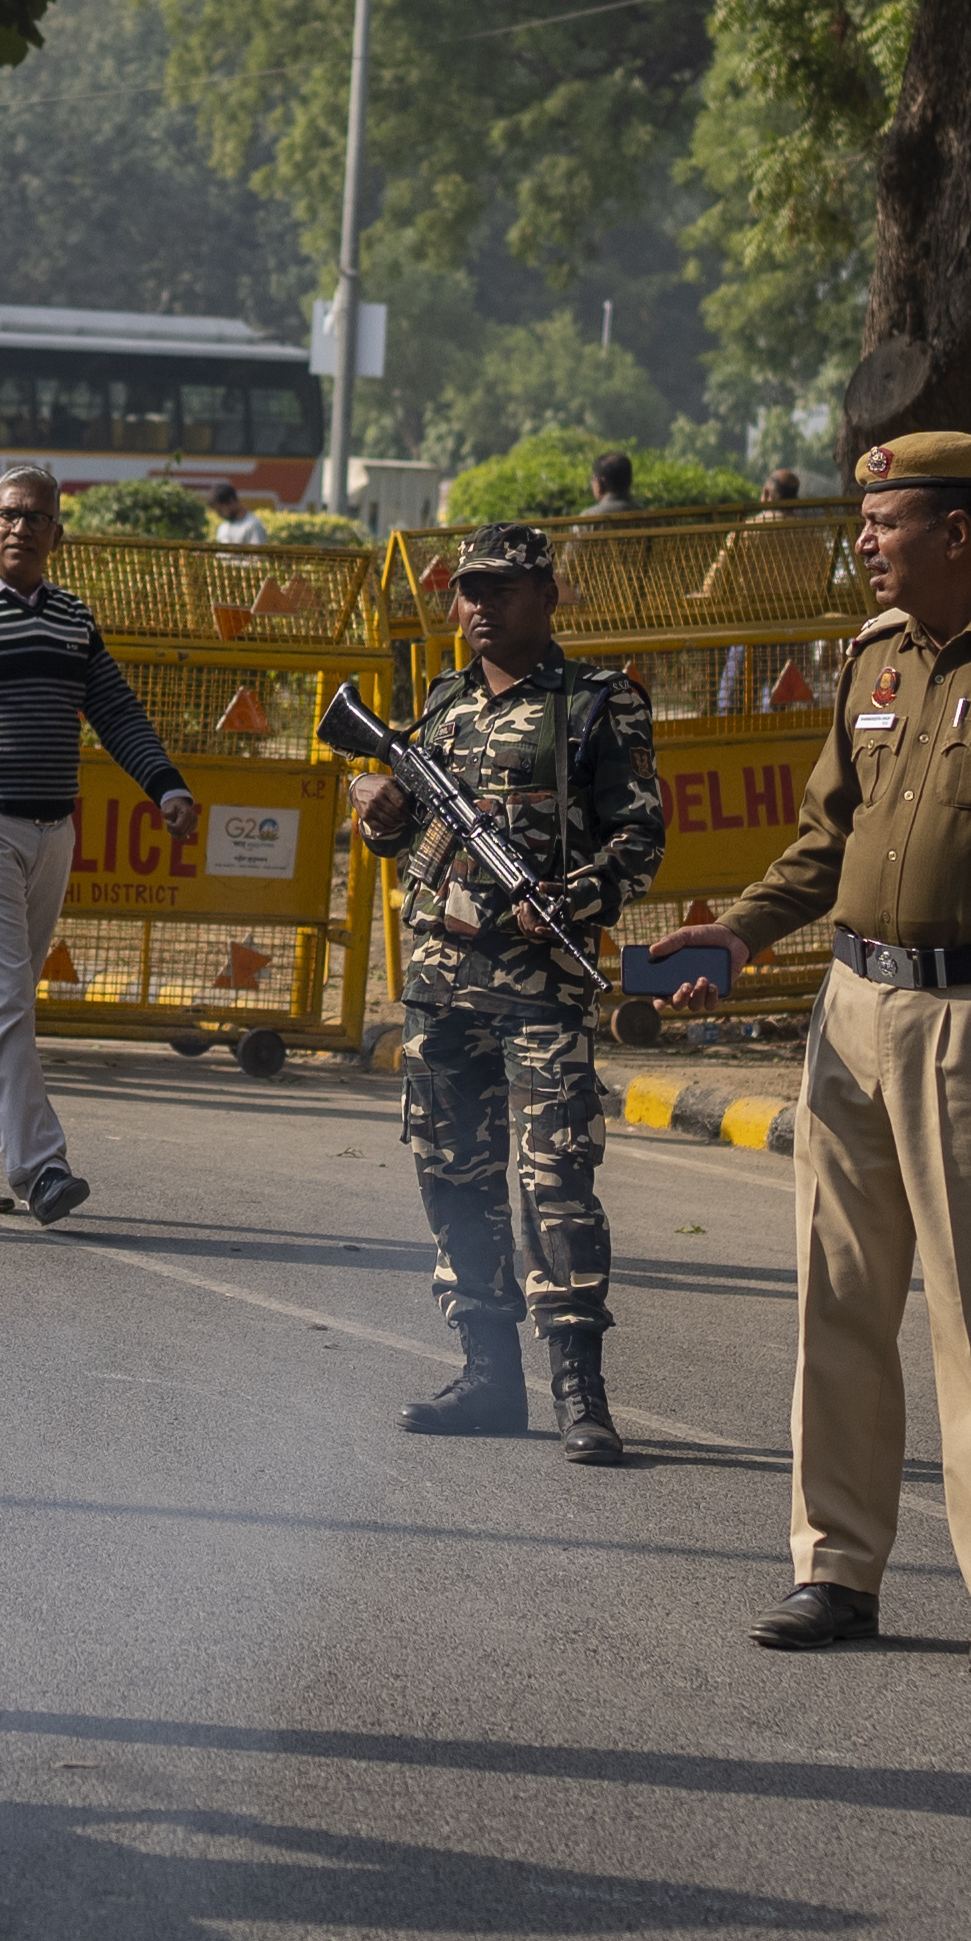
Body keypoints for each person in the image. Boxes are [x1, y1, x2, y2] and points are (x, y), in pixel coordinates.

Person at [635, 429, 971, 1681]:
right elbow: (823, 837)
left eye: (887, 521)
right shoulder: (871, 662)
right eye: (866, 521)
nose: (865, 540)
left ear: (957, 532)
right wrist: (741, 932)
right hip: (851, 1009)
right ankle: (834, 1568)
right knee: (836, 1305)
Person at [354, 522, 666, 1459]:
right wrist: (378, 808)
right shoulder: (442, 706)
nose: (478, 606)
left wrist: (575, 895)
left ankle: (578, 1386)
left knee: (556, 1179)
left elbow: (640, 841)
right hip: (440, 986)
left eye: (501, 589)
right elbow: (395, 836)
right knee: (451, 1175)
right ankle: (488, 1374)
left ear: (547, 596)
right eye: (467, 591)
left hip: (541, 989)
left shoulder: (597, 704)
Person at [0, 465, 197, 1226]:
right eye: (8, 515)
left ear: (58, 534)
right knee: (0, 996)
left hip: (49, 830)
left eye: (36, 518)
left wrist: (165, 785)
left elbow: (115, 707)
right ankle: (41, 1165)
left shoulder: (70, 619)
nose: (20, 527)